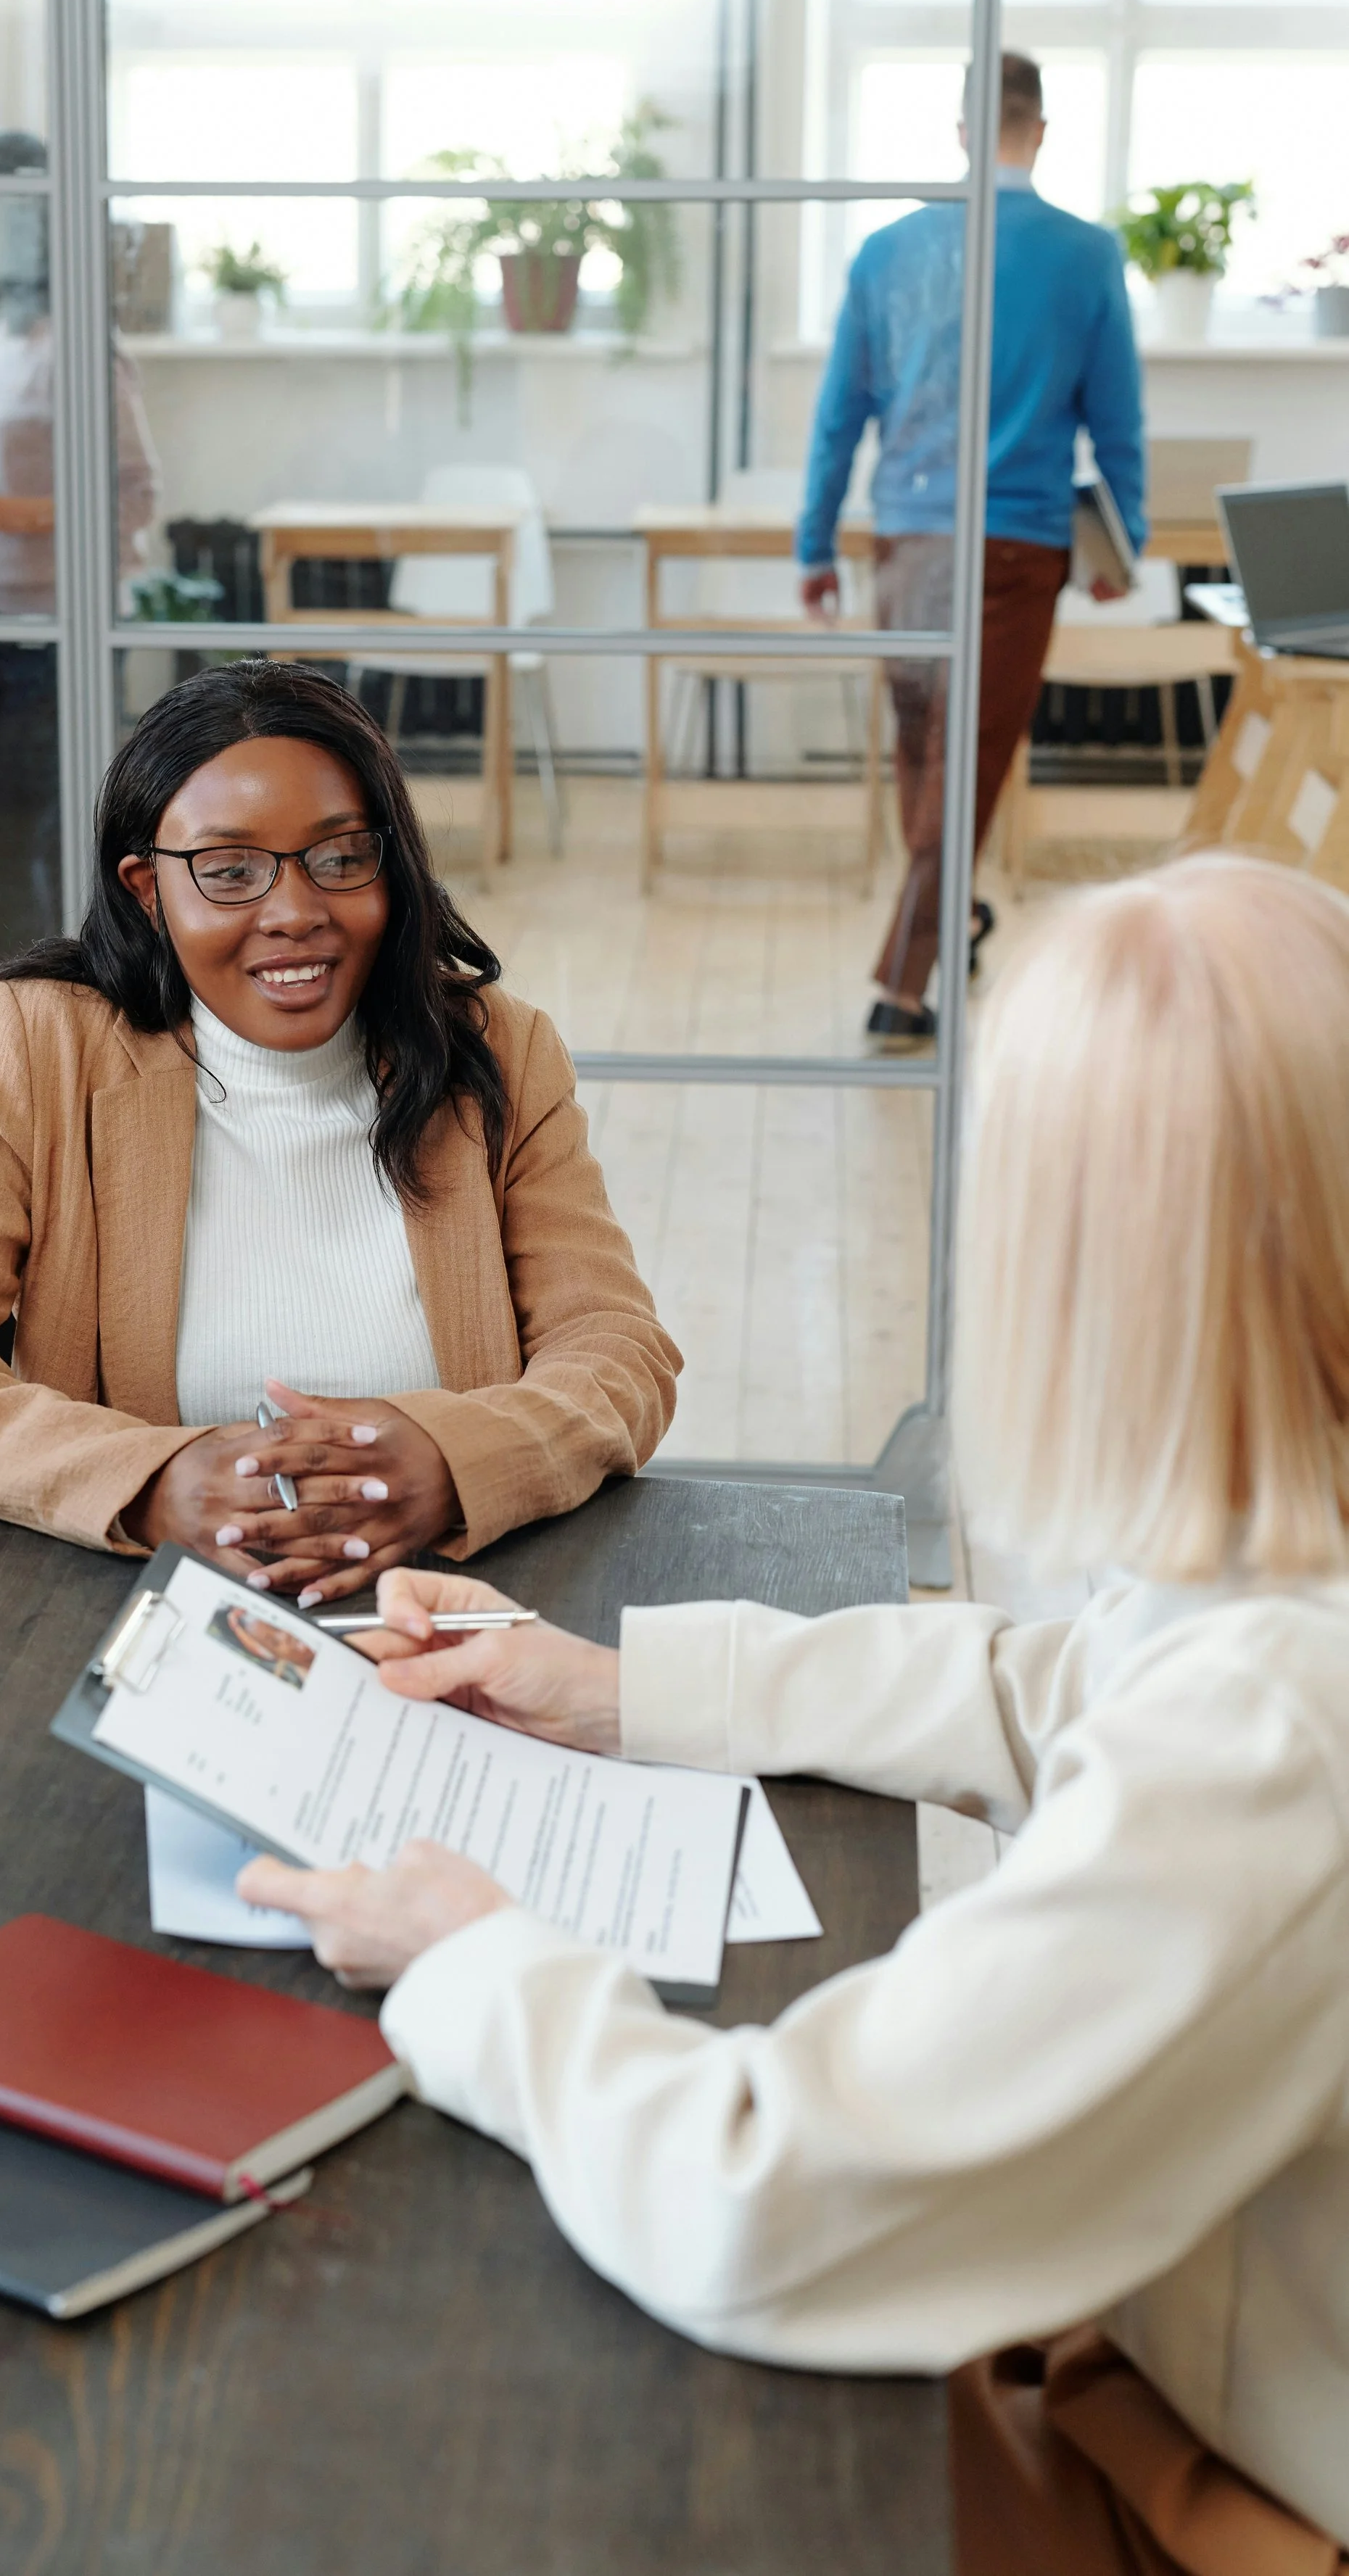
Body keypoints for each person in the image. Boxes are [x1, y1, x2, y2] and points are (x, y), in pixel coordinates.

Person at [245, 851, 1349, 2572]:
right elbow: (1079, 1684)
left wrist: (480, 1958)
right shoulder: (1288, 1590)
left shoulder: (1285, 1727)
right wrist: (628, 1687)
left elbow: (761, 2193)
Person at [0, 661, 679, 1603]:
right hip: (141, 1607)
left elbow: (615, 1346)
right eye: (231, 872)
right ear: (148, 888)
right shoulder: (46, 1041)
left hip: (446, 1599)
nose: (295, 912)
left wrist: (453, 1458)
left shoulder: (499, 1053)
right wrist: (150, 1481)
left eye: (341, 857)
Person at [797, 52, 1145, 1046]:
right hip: (1016, 545)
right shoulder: (1085, 255)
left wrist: (815, 541)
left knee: (928, 750)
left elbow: (840, 415)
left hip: (905, 538)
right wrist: (1124, 542)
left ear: (959, 133)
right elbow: (1116, 419)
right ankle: (909, 982)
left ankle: (920, 951)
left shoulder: (888, 250)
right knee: (963, 758)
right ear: (1039, 131)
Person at [0, 131, 161, 969]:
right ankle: (19, 1044)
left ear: (1, 220)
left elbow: (132, 498)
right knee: (6, 846)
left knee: (17, 849)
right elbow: (9, 471)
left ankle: (32, 1046)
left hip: (57, 635)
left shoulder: (76, 349)